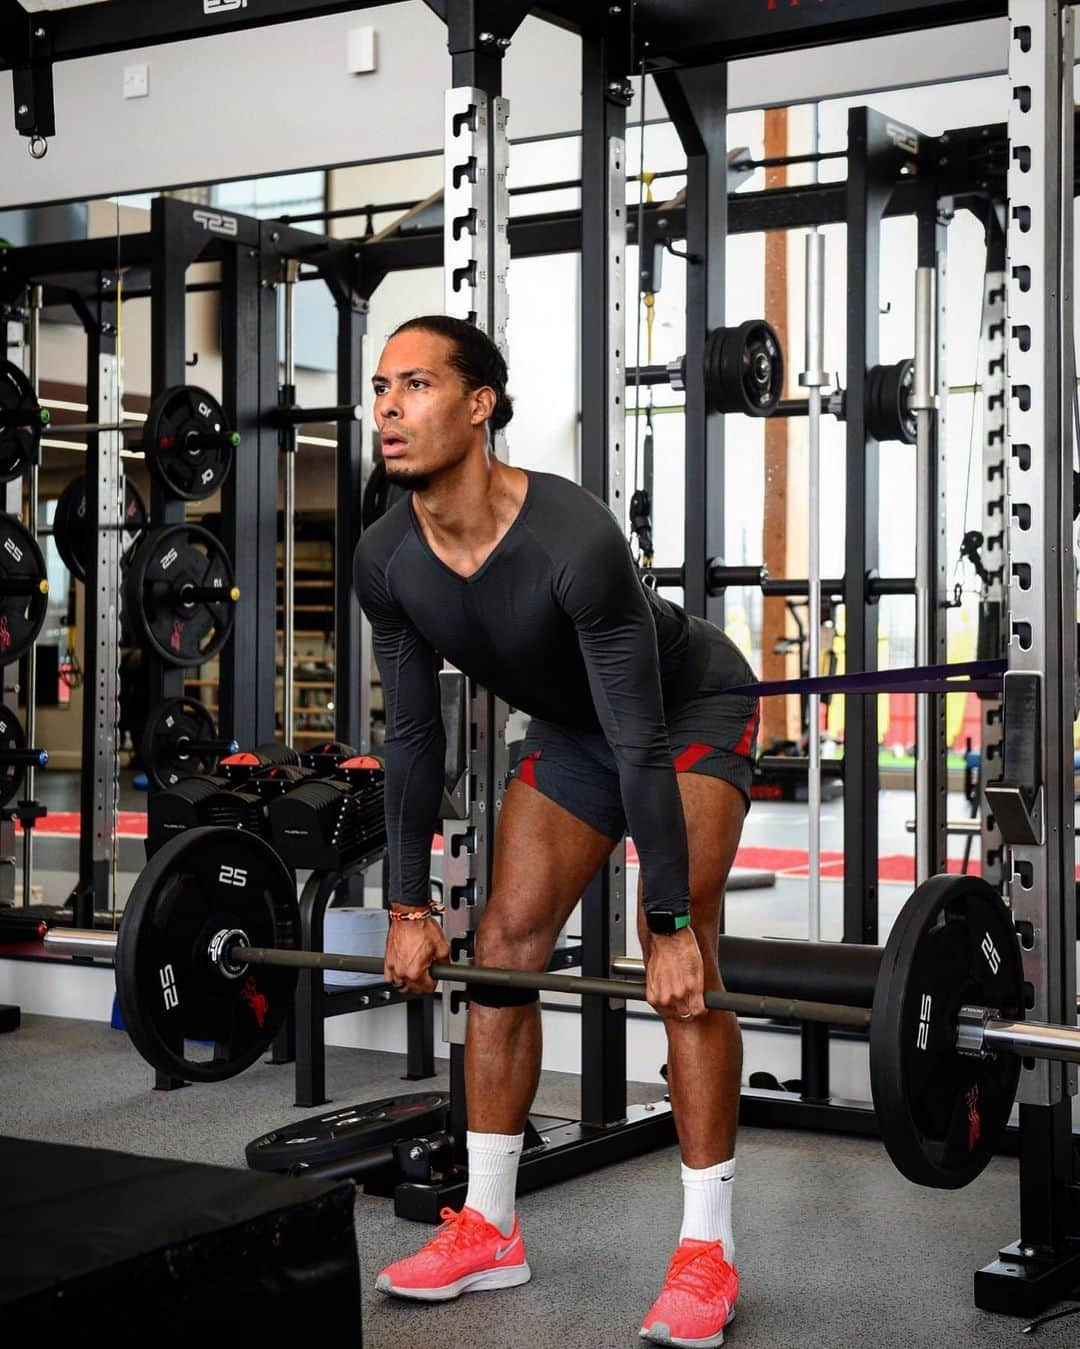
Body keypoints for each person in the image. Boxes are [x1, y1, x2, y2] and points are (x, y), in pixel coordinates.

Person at [354, 315, 759, 1349]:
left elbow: (640, 744)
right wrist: (406, 903)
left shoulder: (572, 536)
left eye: (416, 385)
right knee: (503, 947)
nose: (388, 408)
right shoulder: (387, 556)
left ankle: (706, 1249)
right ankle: (489, 1225)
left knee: (685, 951)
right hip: (578, 732)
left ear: (479, 404)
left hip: (685, 711)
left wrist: (664, 919)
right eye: (379, 387)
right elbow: (411, 736)